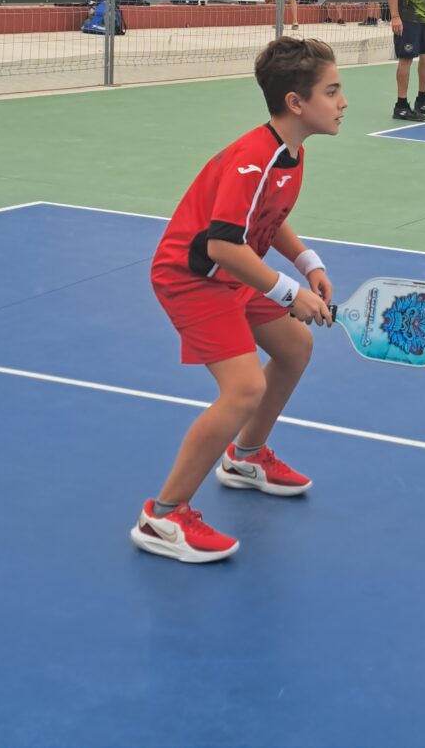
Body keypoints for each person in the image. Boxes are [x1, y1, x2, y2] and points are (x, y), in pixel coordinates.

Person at [133, 37, 347, 562]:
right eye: (333, 91)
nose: (343, 102)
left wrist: (308, 263)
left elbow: (265, 222)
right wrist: (286, 290)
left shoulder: (289, 154)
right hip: (191, 277)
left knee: (295, 347)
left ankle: (245, 457)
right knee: (244, 388)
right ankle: (163, 516)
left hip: (230, 272)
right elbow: (223, 244)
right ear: (296, 103)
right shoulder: (255, 159)